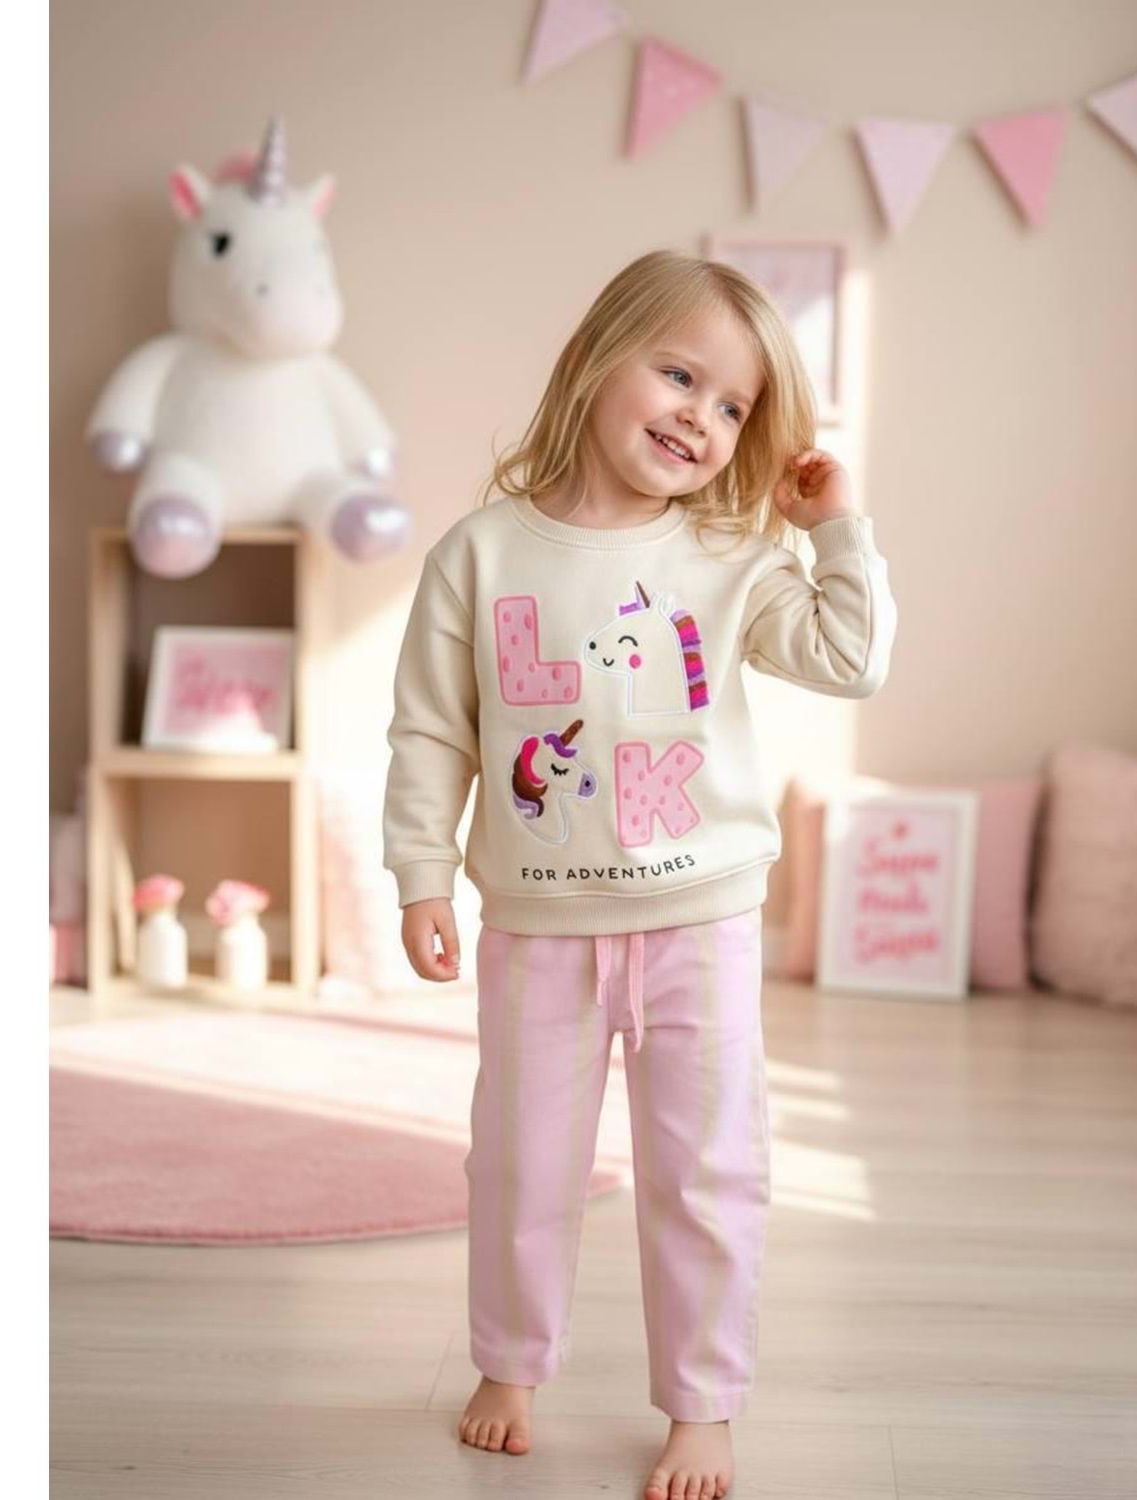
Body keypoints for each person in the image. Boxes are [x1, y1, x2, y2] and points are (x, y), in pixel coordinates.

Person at [381, 247, 898, 1500]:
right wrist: (421, 875)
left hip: (700, 922)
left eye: (732, 407)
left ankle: (703, 1405)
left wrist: (836, 529)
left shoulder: (730, 557)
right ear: (595, 357)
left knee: (708, 1172)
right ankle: (509, 1366)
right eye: (679, 375)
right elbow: (432, 728)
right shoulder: (480, 554)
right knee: (520, 1163)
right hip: (538, 925)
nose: (699, 417)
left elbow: (852, 660)